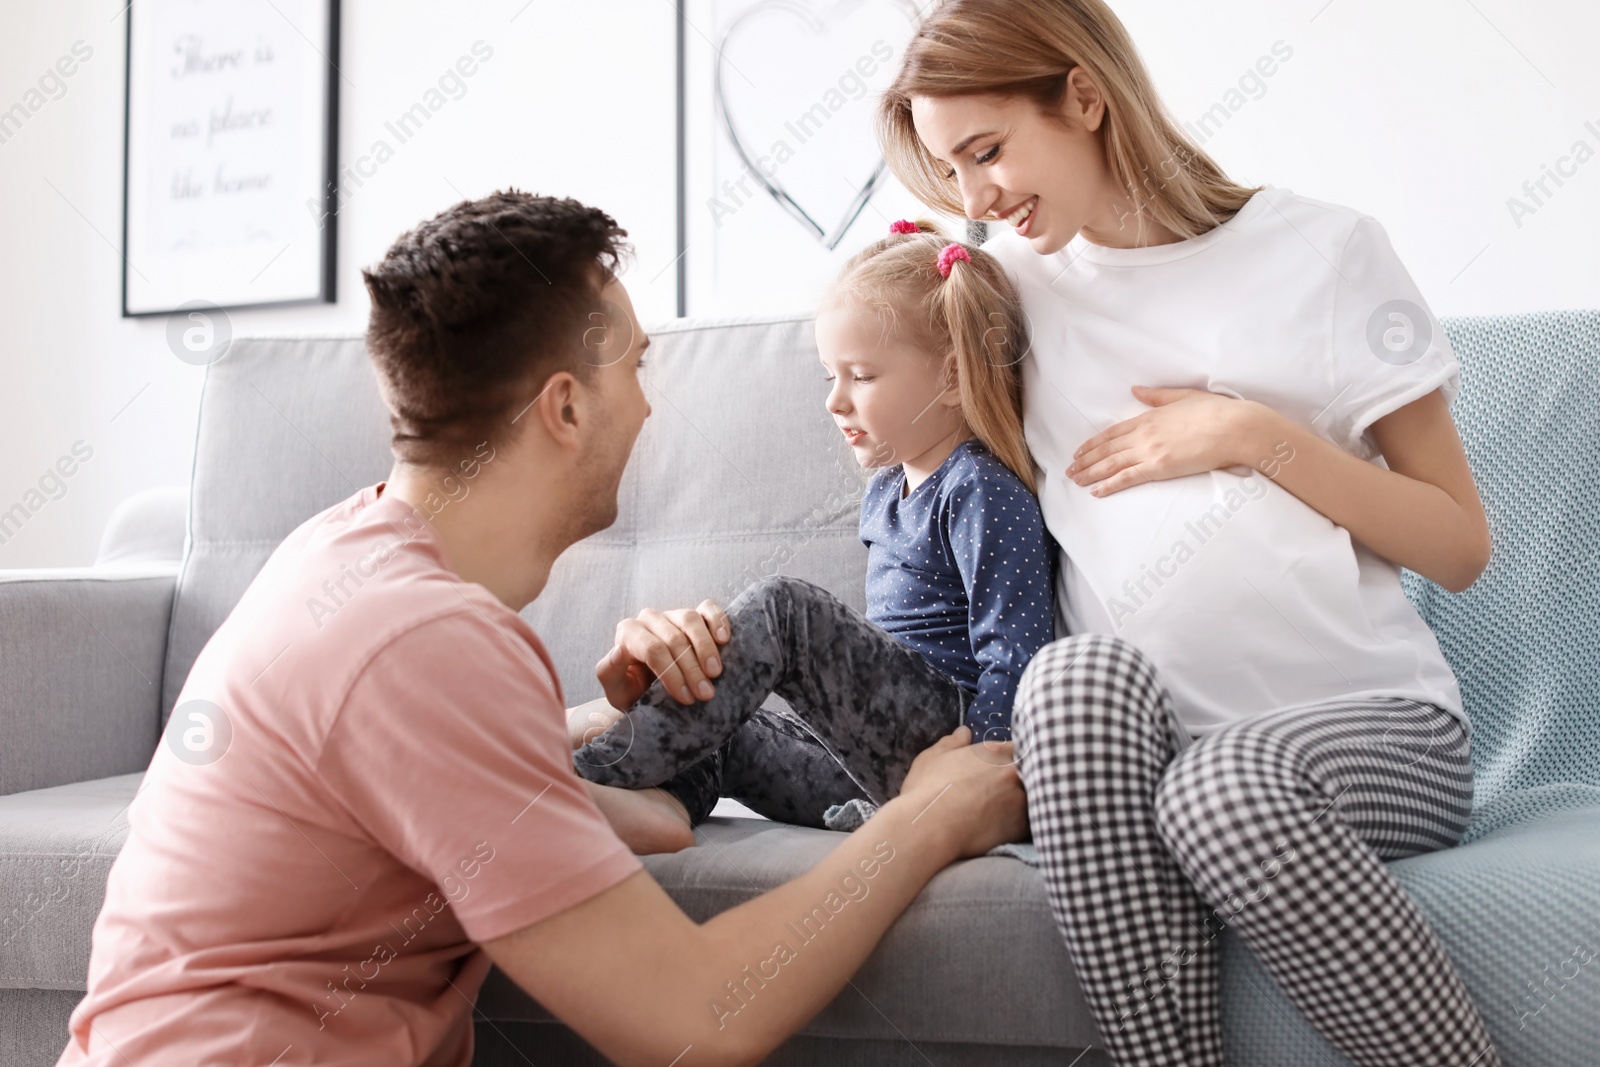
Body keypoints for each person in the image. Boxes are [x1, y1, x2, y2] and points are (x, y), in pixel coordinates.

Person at [56, 191, 1028, 1067]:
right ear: (565, 405)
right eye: (636, 367)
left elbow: (631, 820)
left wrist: (614, 720)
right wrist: (926, 815)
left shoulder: (346, 563)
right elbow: (695, 1014)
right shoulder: (422, 644)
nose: (650, 401)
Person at [875, 2, 1501, 1065]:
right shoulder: (1003, 293)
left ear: (1083, 95)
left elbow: (1457, 544)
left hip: (1369, 730)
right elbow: (886, 430)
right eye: (949, 174)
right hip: (1139, 749)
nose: (973, 199)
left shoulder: (1325, 249)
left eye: (986, 152)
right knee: (1066, 684)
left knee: (1222, 793)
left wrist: (1252, 435)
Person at [570, 217, 1056, 832]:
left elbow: (1016, 658)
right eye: (833, 377)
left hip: (951, 750)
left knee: (783, 608)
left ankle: (589, 779)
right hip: (859, 760)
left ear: (954, 376)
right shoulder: (886, 490)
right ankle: (651, 811)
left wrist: (971, 790)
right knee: (724, 724)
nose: (835, 400)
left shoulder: (978, 487)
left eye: (864, 376)